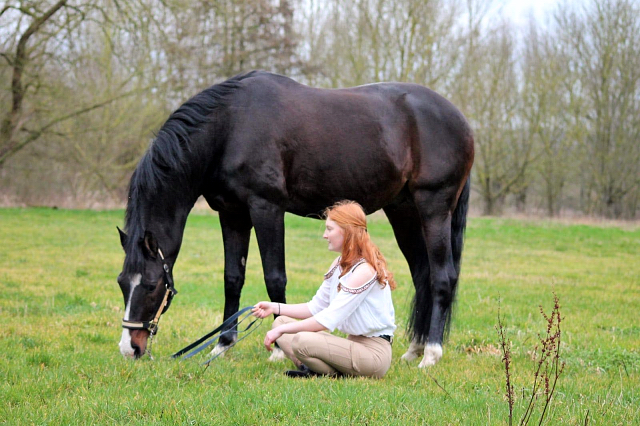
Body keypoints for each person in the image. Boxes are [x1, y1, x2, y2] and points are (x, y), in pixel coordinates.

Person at [252, 200, 396, 378]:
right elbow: (315, 308)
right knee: (280, 321)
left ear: (347, 231)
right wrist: (275, 307)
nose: (324, 235)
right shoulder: (338, 264)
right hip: (353, 345)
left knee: (301, 340)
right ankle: (317, 369)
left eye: (329, 229)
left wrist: (282, 332)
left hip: (374, 354)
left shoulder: (364, 270)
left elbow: (329, 318)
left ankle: (325, 372)